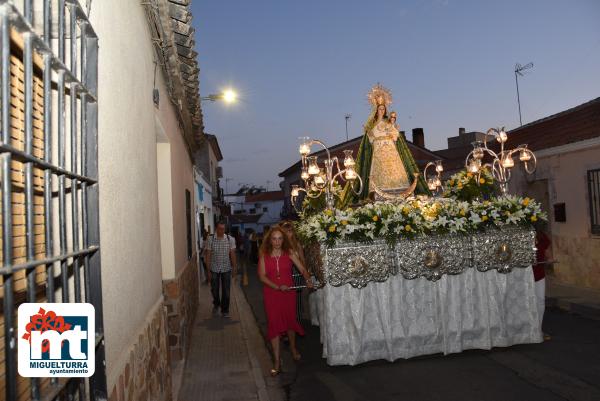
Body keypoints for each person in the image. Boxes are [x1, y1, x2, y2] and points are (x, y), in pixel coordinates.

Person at [339, 84, 430, 206]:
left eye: (383, 108)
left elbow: (396, 137)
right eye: (379, 109)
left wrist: (393, 130)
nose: (381, 110)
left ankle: (402, 188)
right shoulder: (372, 125)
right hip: (378, 154)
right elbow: (369, 141)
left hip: (392, 153)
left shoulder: (389, 123)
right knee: (378, 173)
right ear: (376, 110)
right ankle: (375, 190)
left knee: (397, 172)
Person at [258, 226, 313, 376]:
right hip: (272, 294)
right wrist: (277, 286)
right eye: (274, 238)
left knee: (289, 321)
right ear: (270, 240)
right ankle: (276, 361)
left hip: (288, 293)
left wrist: (307, 279)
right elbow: (262, 276)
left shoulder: (289, 252)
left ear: (284, 240)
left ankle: (293, 348)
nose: (277, 242)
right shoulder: (263, 254)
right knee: (274, 325)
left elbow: (302, 268)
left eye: (280, 238)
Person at [205, 221, 237, 318]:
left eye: (223, 229)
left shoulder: (230, 239)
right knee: (214, 290)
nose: (221, 231)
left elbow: (232, 254)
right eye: (220, 229)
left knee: (226, 291)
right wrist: (208, 271)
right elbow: (208, 255)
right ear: (216, 228)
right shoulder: (210, 239)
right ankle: (216, 304)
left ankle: (225, 310)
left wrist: (234, 268)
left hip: (226, 268)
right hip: (214, 268)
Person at [279, 221, 307, 324]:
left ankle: (297, 322)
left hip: (297, 274)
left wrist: (306, 275)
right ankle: (285, 322)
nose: (288, 233)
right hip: (284, 275)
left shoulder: (297, 245)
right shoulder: (278, 245)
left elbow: (302, 260)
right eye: (285, 231)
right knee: (284, 300)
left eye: (290, 231)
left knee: (298, 298)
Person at [533, 227, 552, 340]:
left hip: (539, 273)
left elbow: (545, 249)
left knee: (540, 300)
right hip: (523, 275)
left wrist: (549, 258)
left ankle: (538, 329)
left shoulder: (540, 234)